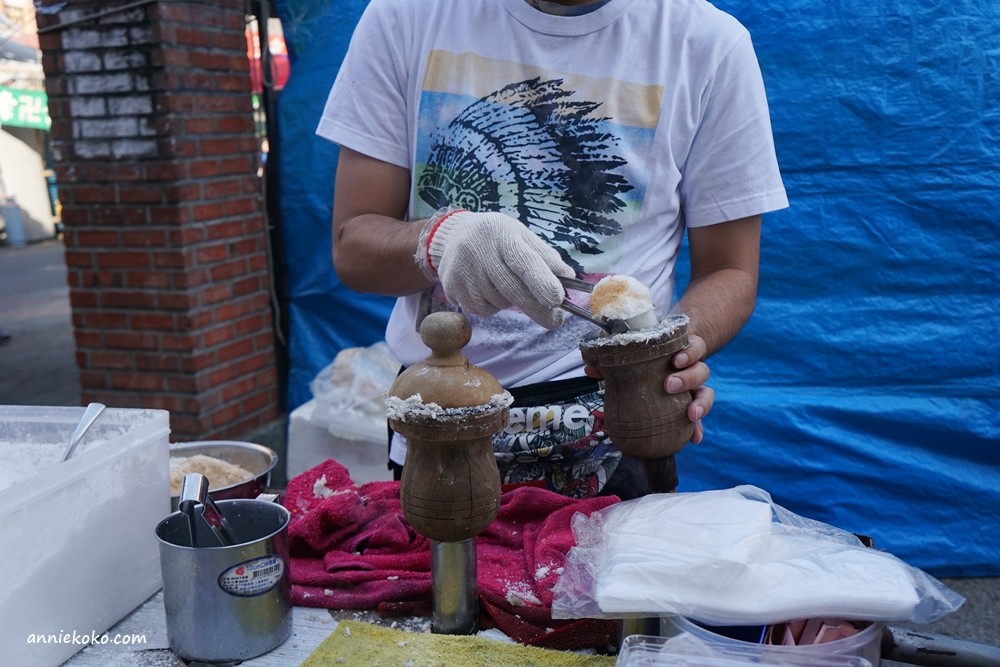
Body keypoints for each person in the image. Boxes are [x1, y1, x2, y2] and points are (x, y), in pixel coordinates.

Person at [318, 0, 788, 499]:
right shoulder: (407, 16)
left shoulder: (707, 44)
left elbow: (731, 269)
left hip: (614, 429)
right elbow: (354, 246)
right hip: (438, 420)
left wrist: (671, 350)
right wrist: (438, 240)